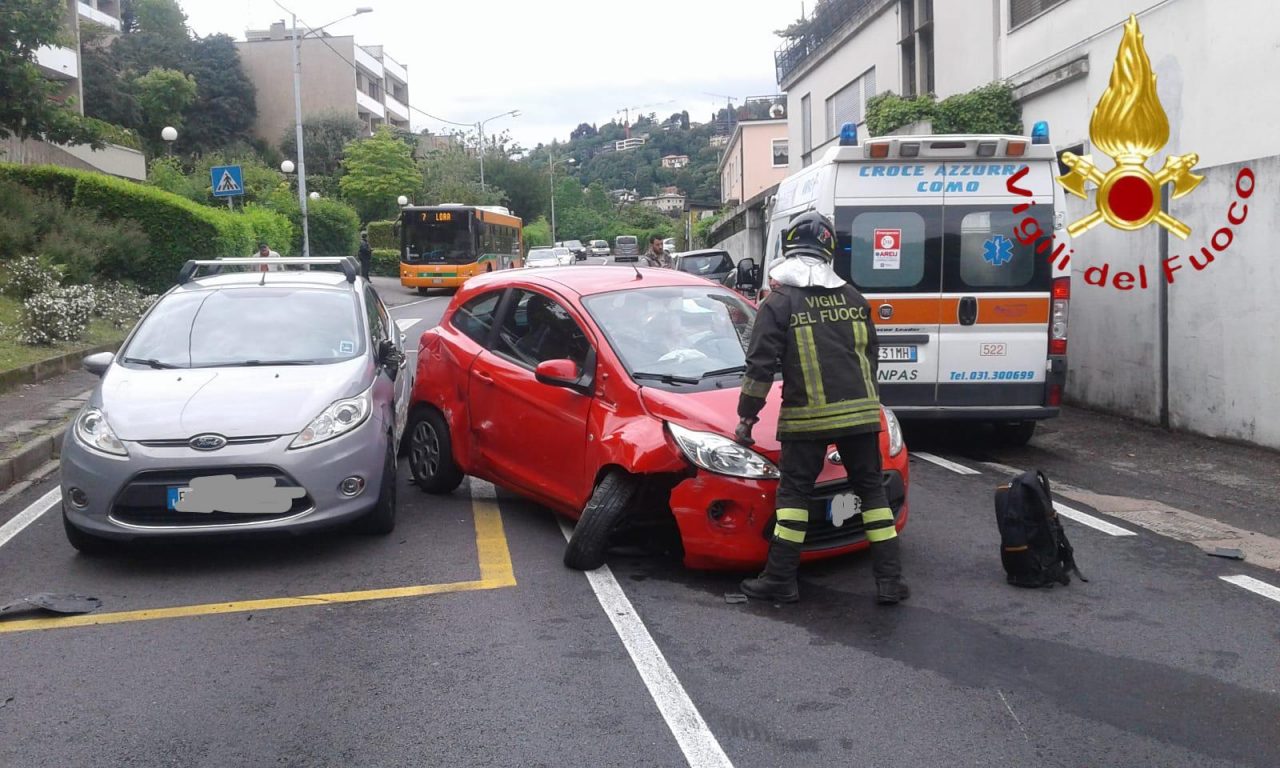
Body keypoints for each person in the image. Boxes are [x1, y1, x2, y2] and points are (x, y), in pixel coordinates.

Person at [734, 210, 909, 606]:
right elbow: (871, 358)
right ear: (829, 249)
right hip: (864, 414)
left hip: (807, 418)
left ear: (788, 247)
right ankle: (889, 581)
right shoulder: (853, 297)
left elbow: (759, 366)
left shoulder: (779, 302)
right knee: (872, 493)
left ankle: (780, 579)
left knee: (794, 496)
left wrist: (747, 418)